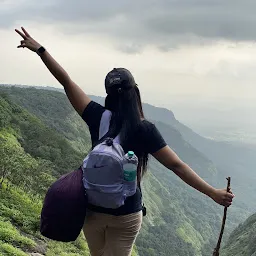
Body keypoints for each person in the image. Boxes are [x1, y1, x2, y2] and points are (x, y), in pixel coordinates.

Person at [15, 27, 234, 256]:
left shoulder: (97, 116)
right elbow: (177, 166)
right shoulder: (144, 129)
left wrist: (40, 50)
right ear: (134, 93)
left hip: (91, 209)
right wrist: (212, 192)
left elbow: (66, 82)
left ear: (108, 95)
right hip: (126, 213)